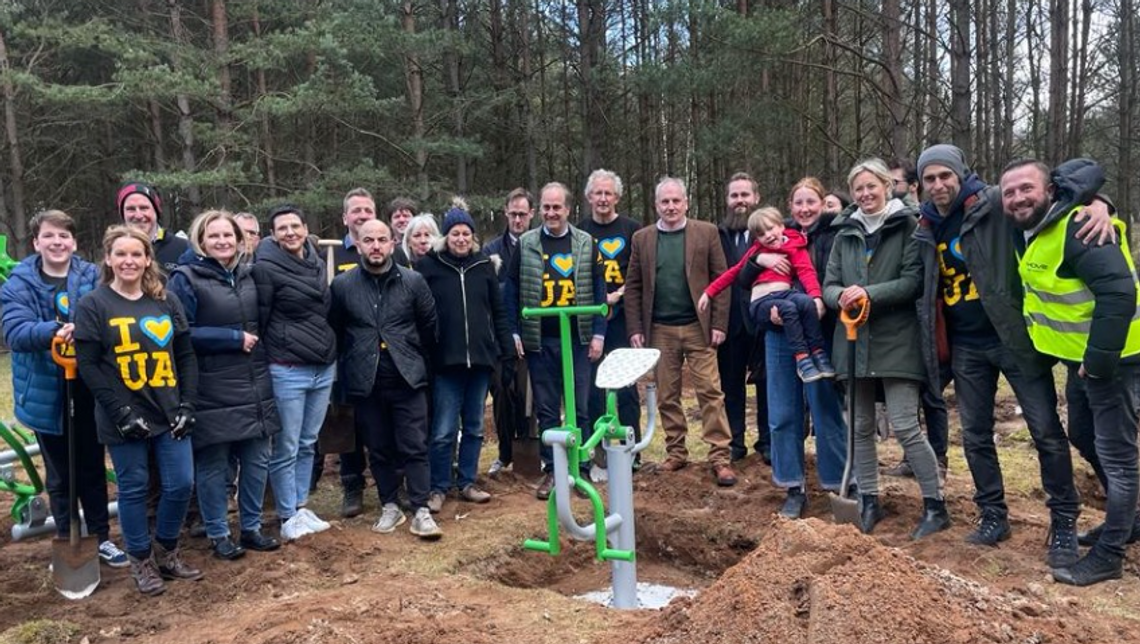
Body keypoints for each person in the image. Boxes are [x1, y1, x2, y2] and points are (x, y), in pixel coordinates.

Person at [914, 144, 1105, 565]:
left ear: (961, 173)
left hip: (1014, 337)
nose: (939, 184)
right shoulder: (924, 225)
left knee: (1045, 431)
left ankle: (1064, 520)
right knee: (975, 435)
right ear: (921, 184)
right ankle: (993, 515)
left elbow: (1075, 178)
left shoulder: (995, 202)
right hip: (965, 345)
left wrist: (1098, 203)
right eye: (930, 178)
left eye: (945, 175)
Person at [1001, 158, 1138, 586]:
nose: (1018, 198)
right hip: (1082, 360)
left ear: (1051, 191)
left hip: (1115, 361)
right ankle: (1128, 519)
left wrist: (1098, 364)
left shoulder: (1080, 228)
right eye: (1009, 192)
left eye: (1027, 188)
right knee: (1082, 433)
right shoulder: (1034, 229)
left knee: (1118, 457)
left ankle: (1110, 554)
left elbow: (1119, 293)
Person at [822, 158, 949, 539]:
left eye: (871, 186)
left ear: (886, 186)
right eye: (858, 188)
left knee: (906, 424)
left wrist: (868, 294)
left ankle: (935, 504)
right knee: (860, 426)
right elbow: (829, 285)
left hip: (897, 340)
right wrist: (840, 297)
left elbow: (913, 282)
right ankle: (869, 500)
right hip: (853, 340)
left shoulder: (908, 226)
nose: (865, 194)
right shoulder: (845, 232)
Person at [74, 225, 201, 596]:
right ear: (108, 259)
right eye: (121, 254)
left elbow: (186, 355)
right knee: (134, 487)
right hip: (123, 414)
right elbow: (89, 365)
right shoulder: (93, 305)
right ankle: (141, 560)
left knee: (181, 483)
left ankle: (167, 550)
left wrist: (188, 403)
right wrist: (120, 413)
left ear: (148, 260)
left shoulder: (166, 301)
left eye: (136, 254)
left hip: (168, 408)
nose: (128, 261)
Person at [0, 210, 128, 568]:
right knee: (60, 474)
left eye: (64, 236)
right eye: (49, 236)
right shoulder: (19, 284)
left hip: (89, 389)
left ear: (74, 242)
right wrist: (56, 330)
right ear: (36, 242)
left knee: (92, 467)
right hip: (46, 395)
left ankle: (101, 538)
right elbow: (15, 332)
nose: (57, 242)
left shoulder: (92, 276)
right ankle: (67, 539)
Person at [168, 210, 282, 560]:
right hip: (211, 384)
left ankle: (251, 528)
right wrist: (231, 338)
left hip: (254, 381)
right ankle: (218, 532)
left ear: (239, 239)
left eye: (228, 235)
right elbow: (179, 332)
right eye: (214, 235)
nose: (222, 241)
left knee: (257, 459)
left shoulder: (249, 274)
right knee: (214, 465)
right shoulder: (184, 279)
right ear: (201, 241)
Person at [330, 219, 442, 540]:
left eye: (382, 239)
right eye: (369, 240)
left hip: (408, 378)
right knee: (378, 448)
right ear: (358, 244)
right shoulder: (342, 286)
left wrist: (411, 356)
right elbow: (336, 330)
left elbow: (429, 327)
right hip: (366, 380)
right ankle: (389, 505)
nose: (376, 246)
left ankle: (420, 509)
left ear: (393, 243)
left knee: (415, 446)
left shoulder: (413, 281)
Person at [625, 177, 736, 487]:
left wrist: (719, 323)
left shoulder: (706, 232)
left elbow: (722, 279)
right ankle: (676, 452)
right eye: (665, 201)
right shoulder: (642, 239)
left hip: (699, 327)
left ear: (686, 203)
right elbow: (633, 286)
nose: (671, 206)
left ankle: (720, 457)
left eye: (676, 201)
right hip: (660, 328)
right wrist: (635, 327)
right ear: (656, 205)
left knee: (710, 392)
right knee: (667, 395)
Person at [503, 182, 607, 499]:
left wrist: (599, 332)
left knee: (580, 406)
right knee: (547, 409)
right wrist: (514, 330)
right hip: (540, 339)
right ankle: (553, 469)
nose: (551, 213)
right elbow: (511, 288)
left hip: (578, 338)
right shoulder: (527, 243)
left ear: (568, 209)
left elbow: (599, 288)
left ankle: (582, 468)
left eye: (557, 207)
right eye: (546, 207)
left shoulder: (585, 243)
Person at [418, 200, 513, 512]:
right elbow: (421, 315)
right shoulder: (429, 267)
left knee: (474, 427)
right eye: (455, 233)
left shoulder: (484, 266)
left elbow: (498, 313)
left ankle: (468, 482)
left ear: (473, 237)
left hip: (481, 362)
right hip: (446, 363)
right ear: (446, 237)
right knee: (444, 430)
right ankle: (438, 486)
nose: (461, 239)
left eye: (466, 234)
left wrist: (506, 354)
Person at [251, 204, 336, 541]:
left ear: (305, 228)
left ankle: (301, 506)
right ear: (273, 235)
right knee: (286, 445)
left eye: (295, 226)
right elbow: (260, 317)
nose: (290, 232)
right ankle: (287, 514)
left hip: (322, 366)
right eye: (282, 228)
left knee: (308, 442)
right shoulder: (265, 268)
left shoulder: (316, 262)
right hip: (287, 368)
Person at [704, 206, 834, 383]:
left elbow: (806, 273)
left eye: (771, 228)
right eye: (761, 234)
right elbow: (734, 272)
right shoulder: (756, 251)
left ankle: (818, 353)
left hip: (785, 293)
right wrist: (709, 292)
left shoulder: (795, 247)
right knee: (788, 309)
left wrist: (816, 296)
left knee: (806, 303)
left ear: (781, 226)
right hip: (762, 302)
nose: (768, 235)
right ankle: (802, 359)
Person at [577, 169, 643, 468]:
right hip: (590, 321)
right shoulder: (579, 232)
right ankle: (596, 452)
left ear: (617, 197)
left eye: (608, 193)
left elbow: (641, 273)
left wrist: (616, 295)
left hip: (622, 319)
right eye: (598, 193)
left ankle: (632, 451)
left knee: (626, 387)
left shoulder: (632, 230)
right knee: (591, 388)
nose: (603, 199)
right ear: (589, 197)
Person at [330, 188, 378, 519]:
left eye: (367, 210)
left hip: (379, 354)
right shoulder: (331, 256)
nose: (362, 216)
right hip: (345, 354)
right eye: (356, 211)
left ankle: (392, 481)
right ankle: (352, 484)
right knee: (349, 424)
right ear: (345, 217)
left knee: (382, 422)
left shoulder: (387, 250)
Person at [717, 173, 769, 463]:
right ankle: (734, 442)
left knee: (767, 385)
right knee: (730, 386)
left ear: (756, 198)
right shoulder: (717, 234)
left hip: (764, 321)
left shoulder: (771, 233)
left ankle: (768, 442)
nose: (740, 201)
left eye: (745, 195)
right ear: (727, 200)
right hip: (729, 323)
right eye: (734, 195)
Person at [484, 188, 537, 476]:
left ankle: (531, 449)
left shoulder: (539, 246)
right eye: (513, 214)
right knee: (502, 393)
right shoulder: (491, 251)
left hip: (533, 332)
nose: (517, 220)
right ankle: (505, 453)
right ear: (506, 213)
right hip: (500, 336)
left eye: (522, 214)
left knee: (530, 394)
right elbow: (490, 294)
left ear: (531, 214)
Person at [116, 182, 188, 275]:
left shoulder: (183, 248)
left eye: (144, 208)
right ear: (123, 214)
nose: (138, 215)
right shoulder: (115, 251)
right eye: (131, 209)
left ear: (156, 211)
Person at [388, 197, 418, 266]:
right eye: (397, 216)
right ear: (390, 223)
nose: (401, 220)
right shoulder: (387, 247)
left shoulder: (423, 245)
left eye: (406, 216)